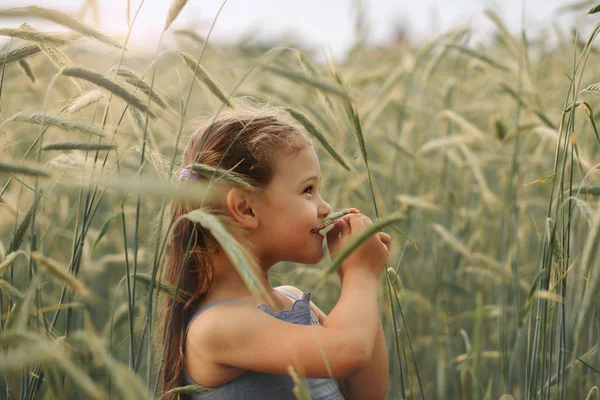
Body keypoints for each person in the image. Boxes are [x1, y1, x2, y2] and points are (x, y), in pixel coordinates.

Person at [159, 106, 391, 400]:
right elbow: (350, 350)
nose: (325, 207)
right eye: (308, 190)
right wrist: (362, 275)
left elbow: (366, 393)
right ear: (246, 208)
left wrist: (354, 278)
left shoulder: (292, 299)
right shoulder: (217, 326)